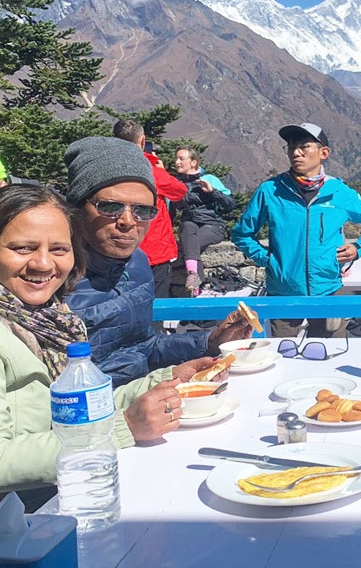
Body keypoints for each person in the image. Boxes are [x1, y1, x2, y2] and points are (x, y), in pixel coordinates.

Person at [0, 185, 213, 568]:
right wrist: (123, 429)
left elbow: (75, 411)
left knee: (180, 550)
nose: (44, 264)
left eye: (59, 249)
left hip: (34, 507)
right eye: (24, 248)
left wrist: (167, 382)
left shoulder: (38, 317)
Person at [62, 137, 251, 386]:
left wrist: (210, 341)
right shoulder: (49, 277)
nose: (128, 221)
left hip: (144, 406)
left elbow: (144, 347)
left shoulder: (137, 264)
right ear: (77, 208)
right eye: (110, 207)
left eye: (142, 211)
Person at [231, 122, 361, 338]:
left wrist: (359, 247)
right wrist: (270, 261)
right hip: (283, 294)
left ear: (324, 153)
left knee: (330, 355)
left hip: (329, 291)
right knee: (283, 358)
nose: (296, 152)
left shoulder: (339, 192)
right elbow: (241, 234)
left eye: (304, 146)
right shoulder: (270, 191)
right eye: (291, 147)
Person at [112, 119, 188, 300]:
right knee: (156, 306)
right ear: (143, 141)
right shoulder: (149, 168)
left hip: (117, 248)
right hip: (154, 250)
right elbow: (180, 191)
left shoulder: (106, 167)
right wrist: (159, 168)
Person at [172, 146, 238, 295]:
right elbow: (170, 212)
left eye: (181, 159)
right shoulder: (177, 185)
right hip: (190, 229)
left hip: (213, 226)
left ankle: (195, 287)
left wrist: (212, 192)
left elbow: (230, 204)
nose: (176, 162)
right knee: (187, 226)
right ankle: (195, 280)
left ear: (193, 162)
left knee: (189, 246)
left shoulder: (209, 179)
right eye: (176, 158)